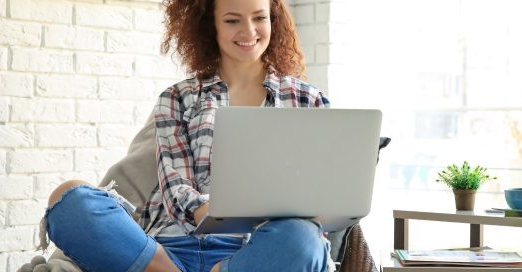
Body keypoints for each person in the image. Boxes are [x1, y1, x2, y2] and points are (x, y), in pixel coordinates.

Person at [40, 0, 333, 271]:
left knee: (303, 238)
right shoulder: (177, 98)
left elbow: (320, 194)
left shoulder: (307, 100)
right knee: (69, 199)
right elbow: (176, 188)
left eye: (259, 18)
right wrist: (217, 211)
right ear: (211, 26)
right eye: (232, 21)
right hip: (166, 250)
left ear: (274, 20)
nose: (249, 31)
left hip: (251, 252)